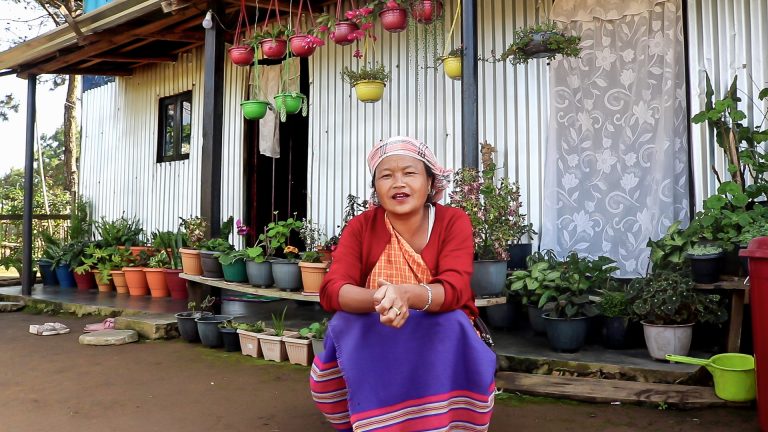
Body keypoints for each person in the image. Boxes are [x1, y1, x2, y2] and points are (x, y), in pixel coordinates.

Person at [310, 136, 497, 431]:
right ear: (376, 188)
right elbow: (333, 289)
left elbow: (455, 289)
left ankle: (441, 421)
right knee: (345, 322)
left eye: (409, 173)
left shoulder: (453, 221)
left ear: (430, 181)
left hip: (437, 328)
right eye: (386, 175)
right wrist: (384, 299)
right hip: (378, 324)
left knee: (453, 322)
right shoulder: (361, 227)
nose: (398, 183)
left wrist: (406, 295)